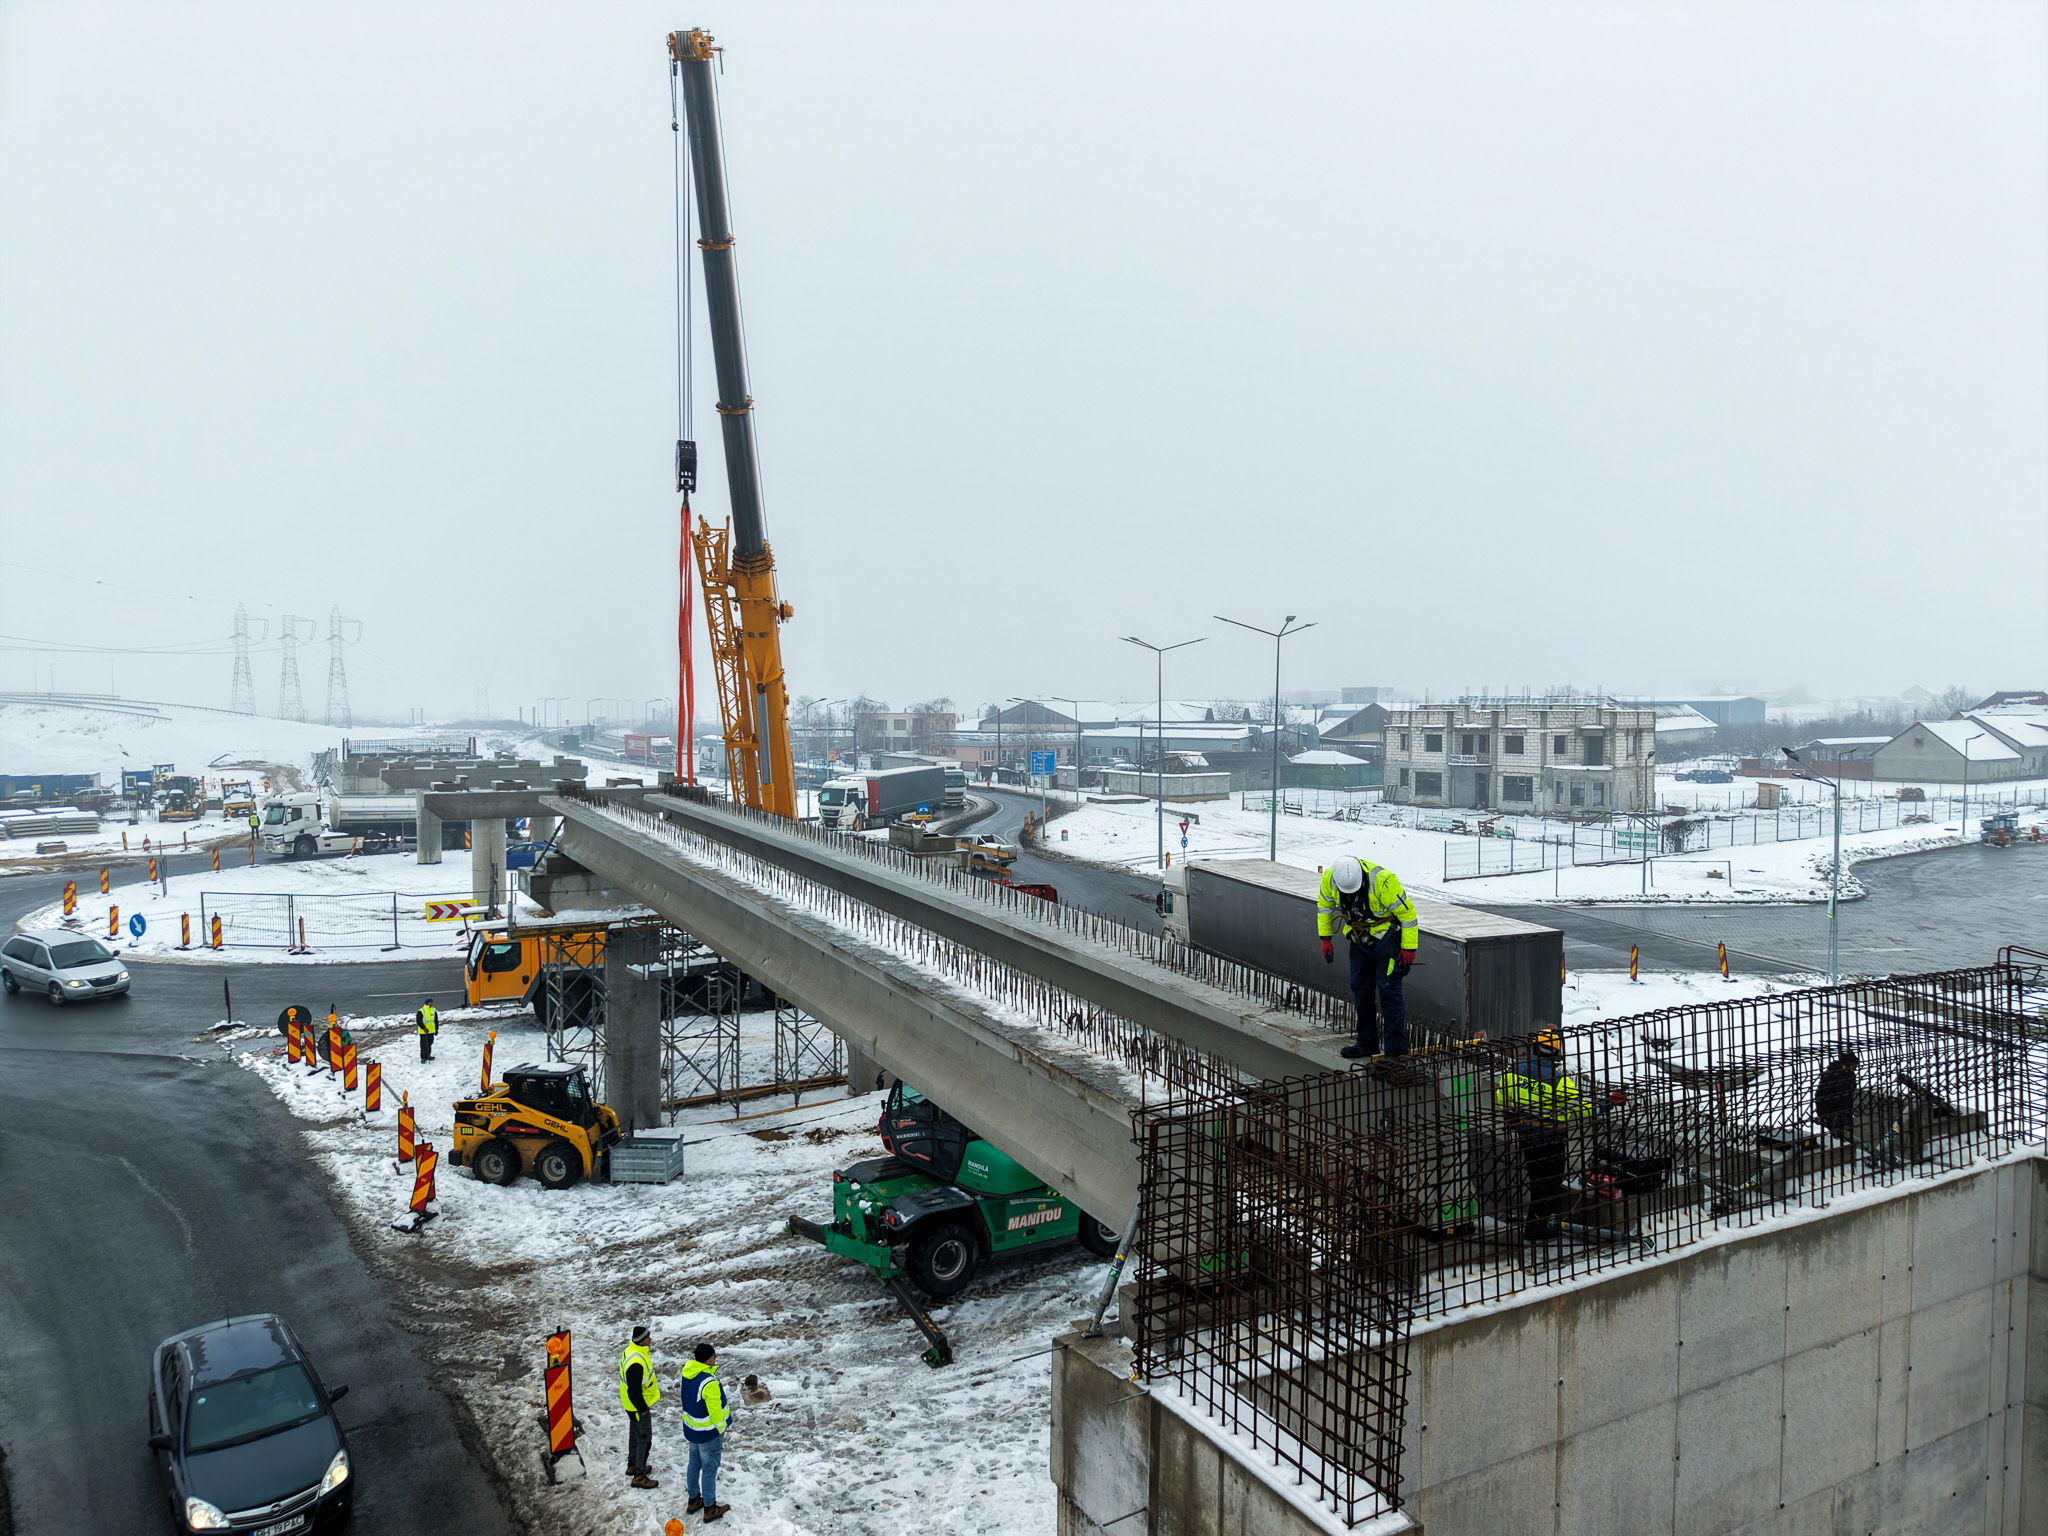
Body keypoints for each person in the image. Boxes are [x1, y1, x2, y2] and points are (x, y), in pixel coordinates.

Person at [1316, 855, 1419, 1063]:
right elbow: (1324, 908)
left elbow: (1407, 915)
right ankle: (1367, 1042)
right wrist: (1325, 938)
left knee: (1389, 989)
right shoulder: (1330, 878)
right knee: (1360, 986)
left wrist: (1409, 947)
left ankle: (1396, 1051)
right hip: (1359, 936)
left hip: (1388, 937)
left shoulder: (1383, 881)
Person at [1496, 1025, 1593, 1241]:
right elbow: (1584, 1108)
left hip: (1526, 1136)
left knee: (1536, 1182)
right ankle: (1536, 1228)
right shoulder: (1560, 1081)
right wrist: (1606, 1105)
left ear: (1534, 1047)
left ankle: (1536, 1225)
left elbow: (1502, 1096)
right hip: (1551, 1140)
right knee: (1549, 1185)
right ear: (1557, 1053)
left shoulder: (1513, 1070)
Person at [679, 1340, 731, 1521]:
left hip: (692, 1429)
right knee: (709, 1468)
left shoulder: (688, 1373)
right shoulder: (709, 1382)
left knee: (694, 1464)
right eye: (713, 1356)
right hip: (709, 1433)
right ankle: (710, 1507)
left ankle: (693, 1499)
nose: (716, 1358)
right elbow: (715, 1412)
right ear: (707, 1360)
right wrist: (722, 1429)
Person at [618, 1325, 660, 1490]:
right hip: (637, 1406)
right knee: (644, 1438)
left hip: (630, 1405)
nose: (651, 1340)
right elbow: (634, 1390)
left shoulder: (631, 1351)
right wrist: (643, 1409)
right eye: (648, 1337)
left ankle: (633, 1465)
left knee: (635, 1434)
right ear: (642, 1341)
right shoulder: (636, 1361)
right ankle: (639, 1475)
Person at [1814, 1048, 1859, 1142]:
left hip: (1845, 1111)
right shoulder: (1830, 1075)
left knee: (1847, 1137)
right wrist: (1822, 1114)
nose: (1855, 1068)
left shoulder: (1850, 1075)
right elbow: (1820, 1096)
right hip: (1831, 1111)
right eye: (1853, 1065)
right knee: (1837, 1138)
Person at [415, 997, 439, 1062]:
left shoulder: (434, 1010)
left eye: (432, 1002)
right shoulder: (421, 1011)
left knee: (429, 1043)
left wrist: (436, 1029)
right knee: (424, 1045)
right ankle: (423, 1057)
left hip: (431, 1031)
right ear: (427, 1003)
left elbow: (436, 1021)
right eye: (430, 1002)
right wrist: (424, 1028)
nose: (432, 1003)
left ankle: (428, 1055)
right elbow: (418, 1021)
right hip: (424, 1031)